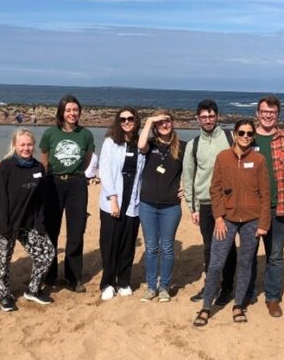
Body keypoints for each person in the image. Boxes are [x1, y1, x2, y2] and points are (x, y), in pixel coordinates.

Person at [192, 119, 271, 326]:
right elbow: (215, 189)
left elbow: (265, 194)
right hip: (226, 220)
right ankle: (206, 307)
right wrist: (218, 217)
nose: (245, 137)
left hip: (252, 221)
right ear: (234, 134)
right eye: (242, 133)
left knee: (245, 264)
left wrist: (263, 223)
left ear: (253, 136)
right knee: (216, 264)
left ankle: (238, 305)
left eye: (249, 134)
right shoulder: (223, 157)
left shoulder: (259, 160)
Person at [0, 129, 55, 312]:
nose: (26, 148)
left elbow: (40, 199)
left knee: (47, 253)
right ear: (15, 146)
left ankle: (33, 290)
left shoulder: (38, 168)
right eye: (22, 144)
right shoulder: (6, 167)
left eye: (29, 144)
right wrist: (4, 225)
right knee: (3, 261)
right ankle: (3, 295)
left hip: (28, 223)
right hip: (4, 223)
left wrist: (40, 224)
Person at [182, 99, 235, 305]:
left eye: (211, 116)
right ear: (198, 119)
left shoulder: (230, 138)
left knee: (228, 246)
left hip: (229, 202)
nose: (208, 120)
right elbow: (189, 177)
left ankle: (228, 287)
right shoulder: (193, 145)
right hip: (205, 203)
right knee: (209, 247)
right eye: (204, 117)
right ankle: (211, 285)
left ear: (217, 116)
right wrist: (192, 207)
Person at [39, 95, 95, 292]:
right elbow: (44, 161)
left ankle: (73, 277)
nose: (72, 113)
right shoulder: (50, 133)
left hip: (77, 184)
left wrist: (74, 174)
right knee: (51, 230)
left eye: (75, 110)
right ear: (61, 112)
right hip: (53, 183)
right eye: (68, 110)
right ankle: (50, 274)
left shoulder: (86, 135)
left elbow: (87, 162)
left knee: (76, 231)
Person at [249, 96, 284, 317]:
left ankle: (272, 298)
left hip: (277, 207)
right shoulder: (246, 137)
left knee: (275, 256)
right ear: (258, 113)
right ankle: (247, 293)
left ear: (277, 114)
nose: (268, 115)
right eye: (264, 111)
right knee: (248, 253)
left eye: (272, 112)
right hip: (250, 208)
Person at [137, 110, 186, 302]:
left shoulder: (182, 147)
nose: (164, 125)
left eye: (167, 122)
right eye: (160, 123)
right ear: (155, 126)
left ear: (173, 124)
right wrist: (150, 121)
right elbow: (140, 144)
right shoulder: (150, 145)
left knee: (166, 248)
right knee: (151, 248)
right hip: (147, 204)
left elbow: (192, 169)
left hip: (171, 206)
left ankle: (164, 287)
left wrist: (185, 187)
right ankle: (151, 287)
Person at [98, 107, 145, 300]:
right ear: (118, 121)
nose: (126, 122)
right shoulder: (110, 142)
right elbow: (105, 171)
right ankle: (108, 282)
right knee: (110, 242)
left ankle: (124, 281)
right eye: (122, 119)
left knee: (127, 241)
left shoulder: (141, 144)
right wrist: (114, 199)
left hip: (133, 197)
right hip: (113, 197)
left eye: (130, 118)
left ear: (136, 120)